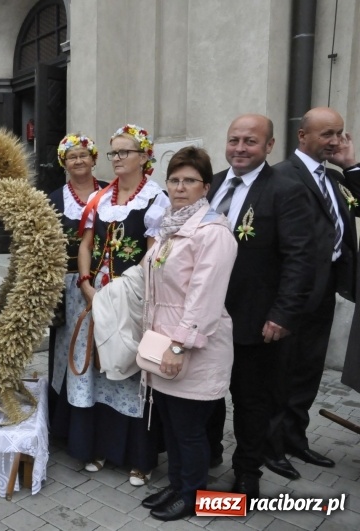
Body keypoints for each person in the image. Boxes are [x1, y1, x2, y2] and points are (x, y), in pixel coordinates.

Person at [205, 114, 315, 500]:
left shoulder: (284, 189)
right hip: (207, 318)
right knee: (207, 393)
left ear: (269, 146)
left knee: (250, 402)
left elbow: (301, 258)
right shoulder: (215, 184)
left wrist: (283, 314)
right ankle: (208, 455)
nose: (239, 148)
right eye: (234, 139)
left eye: (250, 141)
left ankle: (247, 473)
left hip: (255, 321)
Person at [67, 124, 170, 485]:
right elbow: (85, 244)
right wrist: (85, 284)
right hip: (97, 294)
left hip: (131, 297)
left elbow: (154, 253)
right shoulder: (102, 198)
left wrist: (122, 292)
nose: (117, 159)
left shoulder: (156, 199)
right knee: (99, 368)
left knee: (130, 368)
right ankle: (102, 447)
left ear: (144, 157)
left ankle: (139, 458)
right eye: (114, 153)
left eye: (125, 152)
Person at [138, 146, 237, 521]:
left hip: (191, 346)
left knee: (190, 429)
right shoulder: (170, 225)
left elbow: (204, 296)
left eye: (189, 181)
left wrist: (179, 345)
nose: (180, 187)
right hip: (161, 343)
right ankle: (178, 484)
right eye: (175, 180)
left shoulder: (213, 232)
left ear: (205, 187)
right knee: (172, 424)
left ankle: (193, 494)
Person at [264, 108, 360, 479]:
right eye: (326, 134)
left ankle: (294, 439)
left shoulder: (335, 178)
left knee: (308, 372)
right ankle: (270, 447)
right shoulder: (282, 177)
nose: (334, 140)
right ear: (303, 136)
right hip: (291, 294)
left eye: (339, 133)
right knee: (281, 374)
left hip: (325, 290)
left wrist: (351, 166)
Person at [46, 133, 105, 420]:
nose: (79, 160)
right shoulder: (53, 200)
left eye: (84, 154)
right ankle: (69, 420)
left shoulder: (111, 194)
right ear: (64, 163)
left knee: (103, 349)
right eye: (72, 156)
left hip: (107, 281)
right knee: (70, 349)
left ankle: (103, 410)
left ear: (94, 159)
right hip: (69, 285)